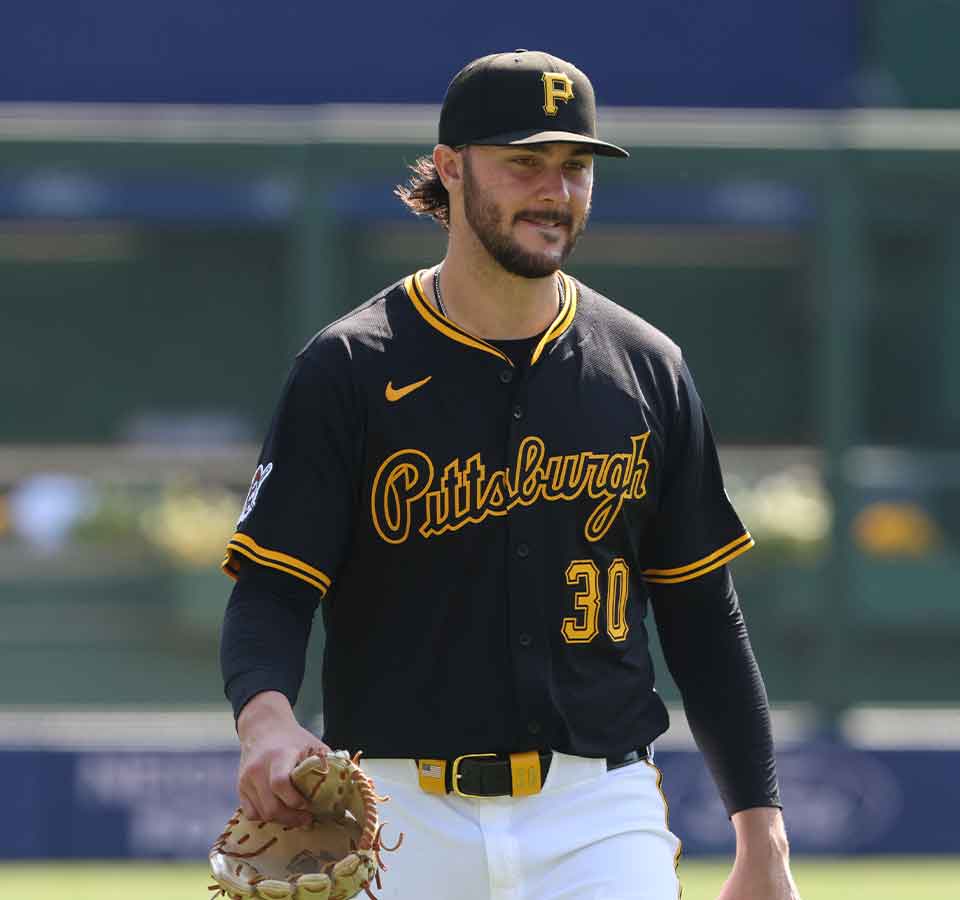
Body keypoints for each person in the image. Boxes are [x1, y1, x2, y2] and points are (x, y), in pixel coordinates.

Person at [219, 49, 800, 899]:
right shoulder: (348, 367)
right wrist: (265, 720)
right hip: (397, 813)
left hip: (598, 810)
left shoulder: (646, 368)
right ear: (449, 170)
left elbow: (703, 616)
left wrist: (763, 837)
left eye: (574, 167)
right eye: (524, 162)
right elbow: (272, 589)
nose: (554, 191)